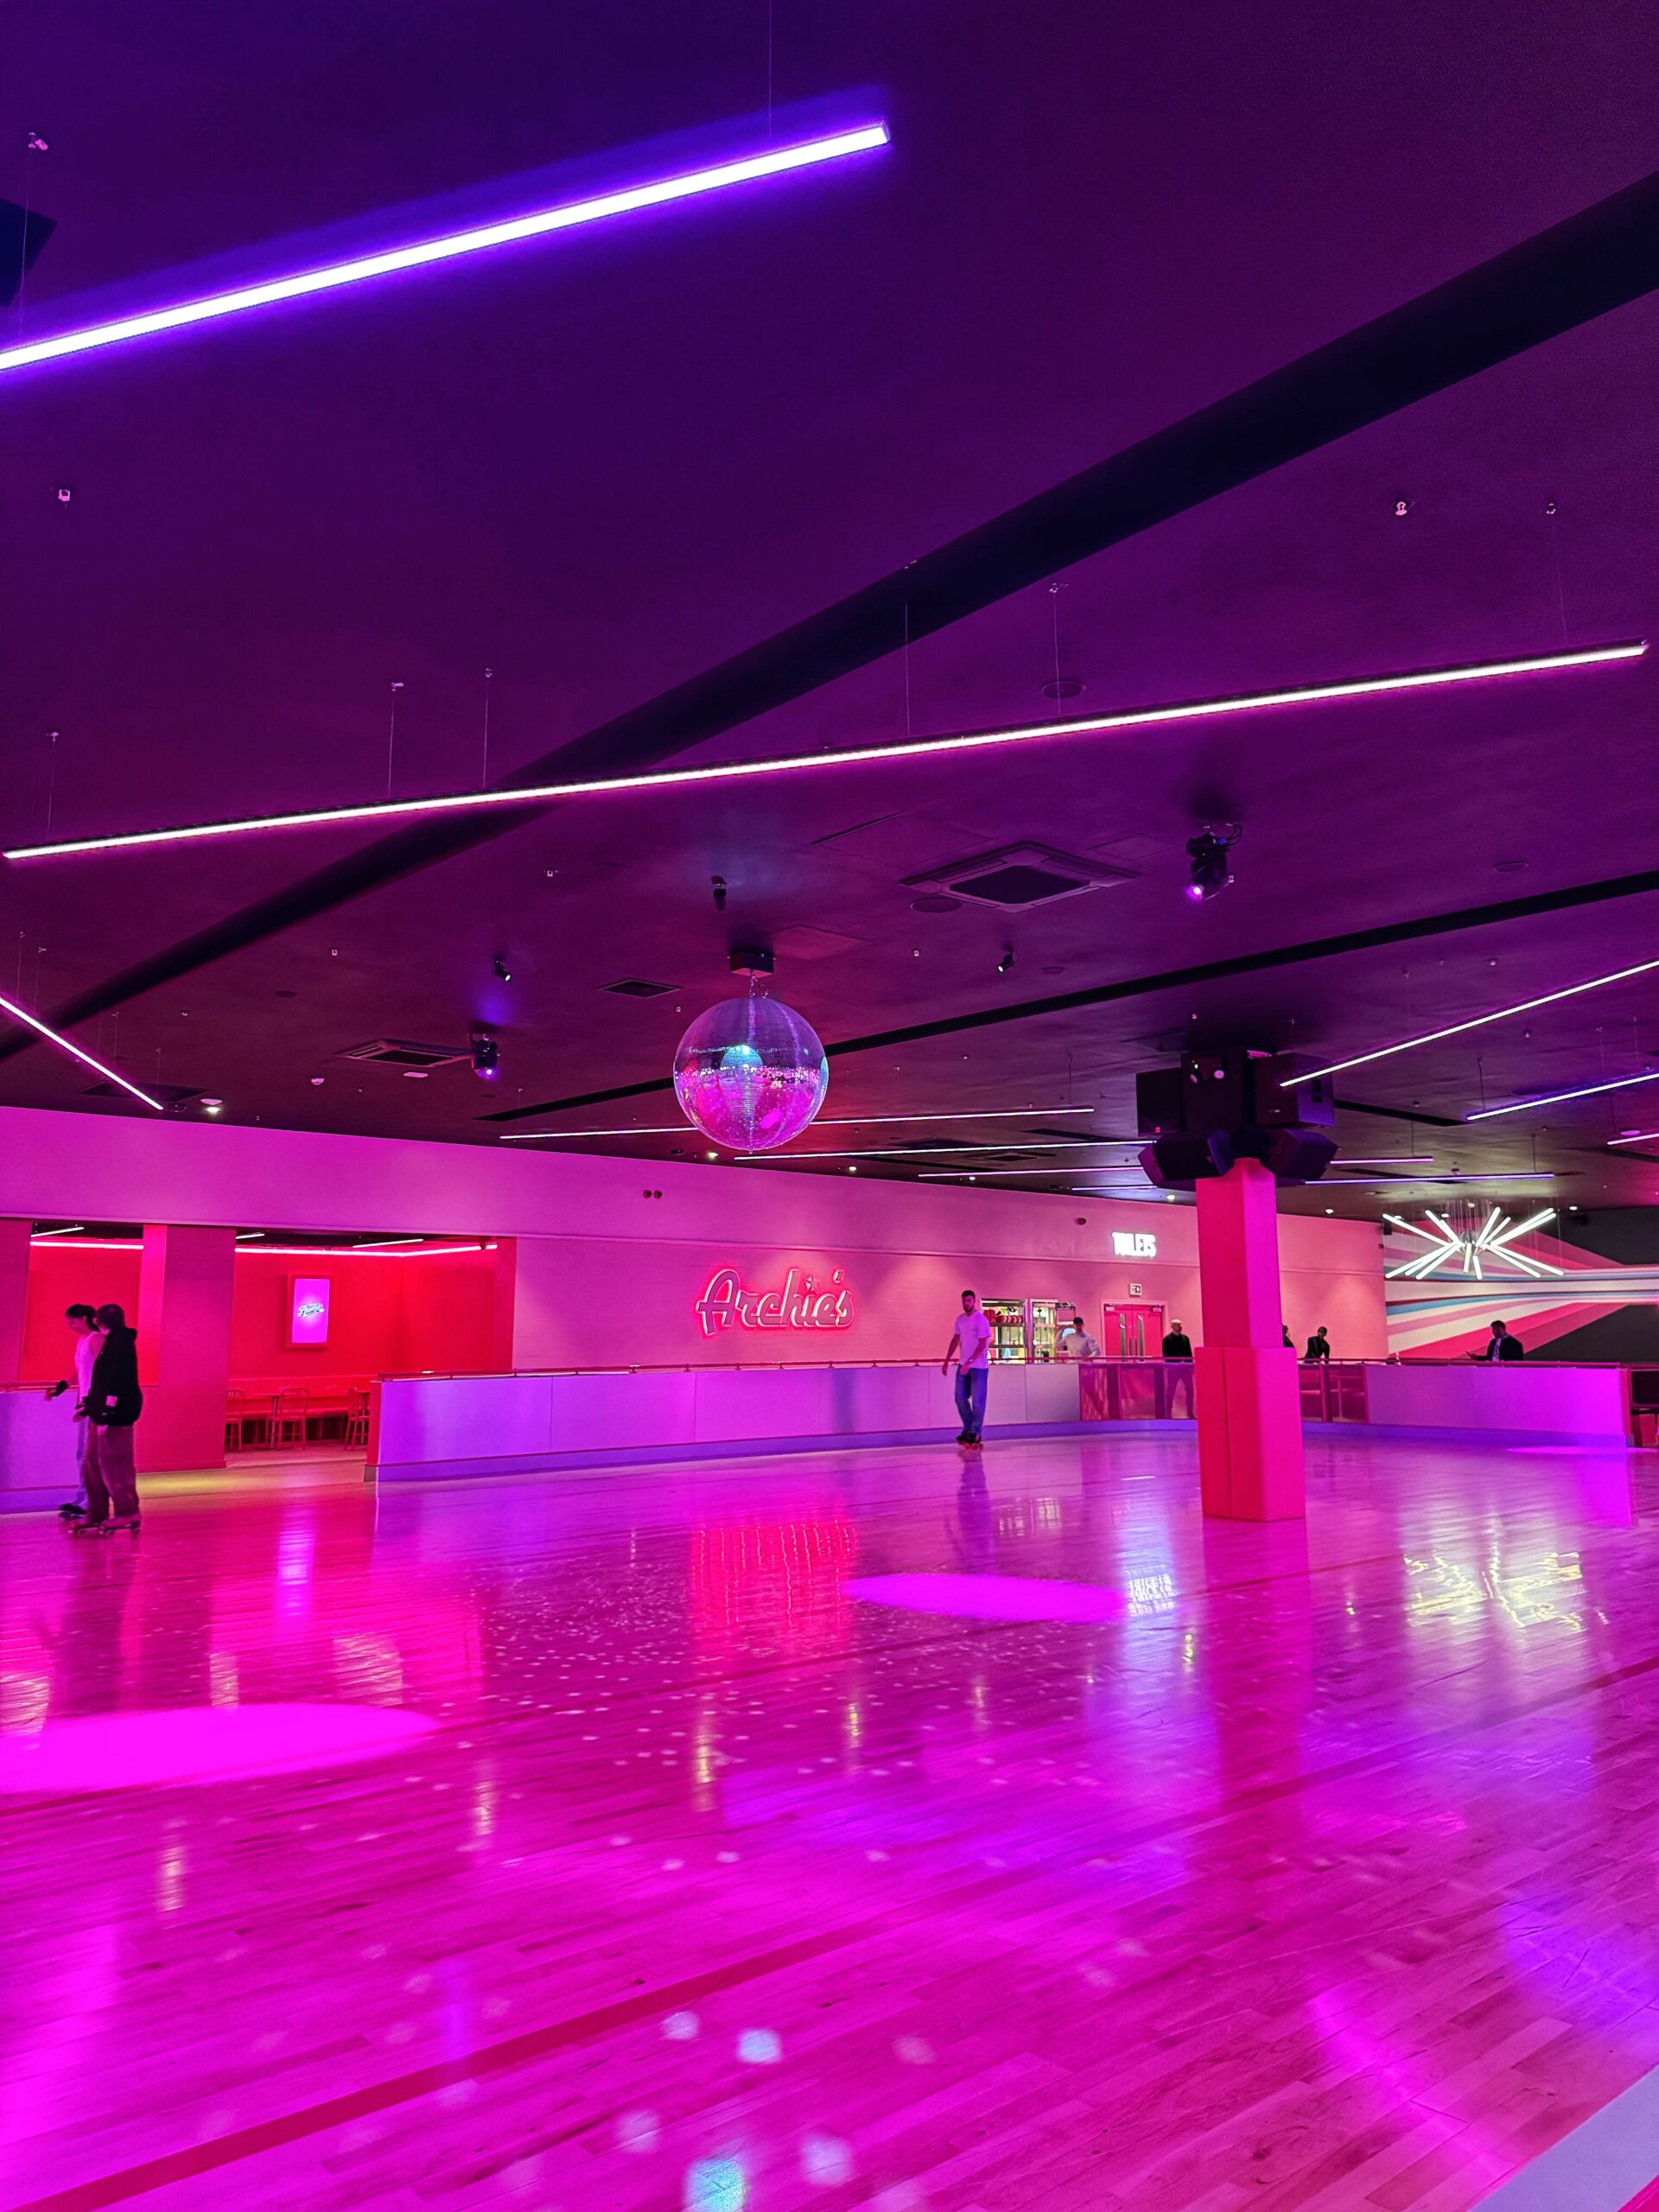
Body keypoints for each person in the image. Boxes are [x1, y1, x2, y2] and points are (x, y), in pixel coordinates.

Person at [76, 1303, 143, 1535]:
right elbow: (102, 1381)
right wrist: (88, 1407)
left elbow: (116, 1383)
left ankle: (127, 1511)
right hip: (100, 1413)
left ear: (101, 1321)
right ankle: (97, 1512)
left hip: (116, 1417)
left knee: (115, 1465)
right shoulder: (110, 1343)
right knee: (91, 1461)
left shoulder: (120, 1345)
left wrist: (106, 1414)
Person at [44, 1304, 99, 1519]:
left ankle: (91, 1501)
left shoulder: (96, 1339)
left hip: (94, 1406)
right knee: (81, 1454)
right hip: (85, 1404)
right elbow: (82, 1372)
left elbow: (102, 1371)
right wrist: (62, 1387)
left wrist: (92, 1403)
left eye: (72, 1322)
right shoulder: (82, 1342)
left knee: (89, 1455)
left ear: (84, 1318)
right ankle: (83, 1496)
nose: (71, 1326)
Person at [942, 1288, 993, 1447]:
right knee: (959, 1397)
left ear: (974, 1301)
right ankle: (969, 1428)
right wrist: (947, 1360)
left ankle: (975, 1432)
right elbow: (955, 1339)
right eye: (964, 1301)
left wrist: (970, 1362)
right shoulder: (960, 1320)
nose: (966, 1304)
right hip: (963, 1365)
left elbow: (982, 1345)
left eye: (969, 1301)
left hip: (979, 1367)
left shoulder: (981, 1320)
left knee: (978, 1401)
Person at [1161, 1318, 1194, 1417]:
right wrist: (1174, 1364)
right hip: (1173, 1369)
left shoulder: (1185, 1339)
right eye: (1178, 1325)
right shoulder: (1167, 1340)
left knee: (1190, 1389)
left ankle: (1189, 1412)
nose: (1180, 1327)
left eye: (1180, 1324)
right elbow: (1166, 1355)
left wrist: (1190, 1365)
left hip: (1185, 1368)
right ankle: (1168, 1413)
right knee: (1171, 1390)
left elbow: (1189, 1353)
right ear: (1172, 1326)